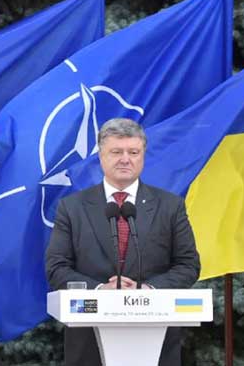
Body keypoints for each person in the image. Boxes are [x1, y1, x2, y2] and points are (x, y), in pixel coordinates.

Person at [45, 117, 200, 366]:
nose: (125, 159)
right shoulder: (72, 208)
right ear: (101, 156)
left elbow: (188, 265)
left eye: (133, 152)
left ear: (143, 156)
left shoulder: (170, 206)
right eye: (116, 151)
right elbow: (57, 268)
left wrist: (147, 290)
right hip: (89, 344)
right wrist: (100, 291)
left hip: (157, 341)